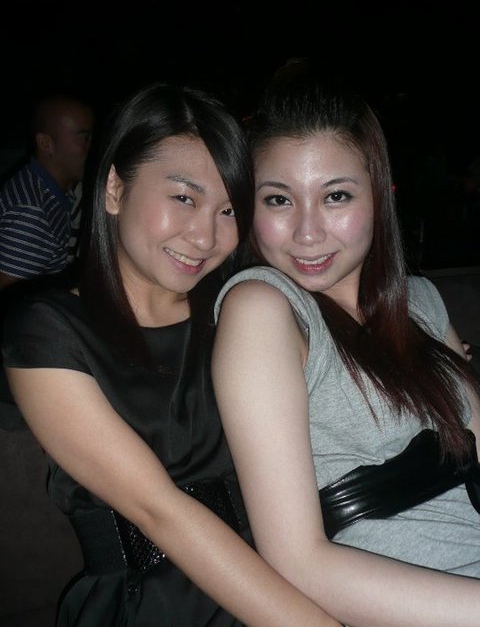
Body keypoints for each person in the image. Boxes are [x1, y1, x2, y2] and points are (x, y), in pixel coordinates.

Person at [1, 82, 341, 627]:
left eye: (228, 209)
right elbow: (159, 511)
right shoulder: (46, 330)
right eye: (184, 198)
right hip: (152, 599)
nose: (205, 236)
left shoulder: (240, 309)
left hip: (288, 567)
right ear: (115, 188)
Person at [212, 60, 480, 627]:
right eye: (278, 200)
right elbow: (297, 562)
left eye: (335, 196)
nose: (308, 232)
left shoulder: (422, 302)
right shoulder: (263, 310)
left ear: (379, 197)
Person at [0, 93, 94, 290]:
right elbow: (9, 301)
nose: (92, 148)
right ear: (46, 144)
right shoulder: (32, 215)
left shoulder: (52, 190)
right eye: (84, 138)